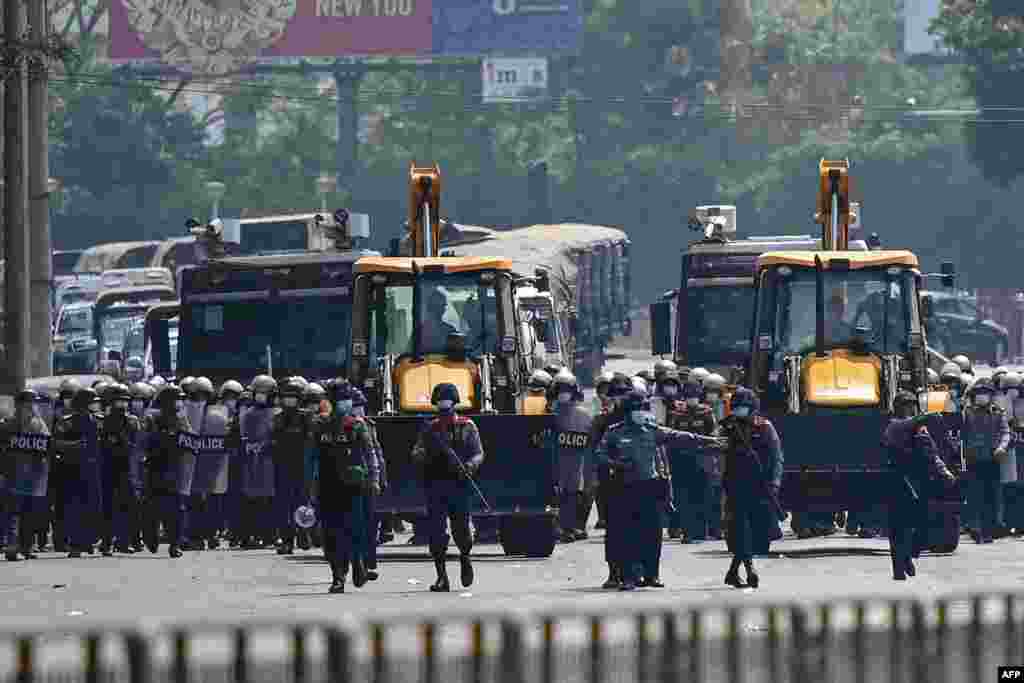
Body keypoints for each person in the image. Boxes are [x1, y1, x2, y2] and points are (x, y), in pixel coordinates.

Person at [595, 389, 721, 590]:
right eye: (635, 410)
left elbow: (681, 436)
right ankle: (627, 577)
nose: (639, 413)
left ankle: (652, 575)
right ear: (627, 412)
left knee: (652, 534)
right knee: (628, 534)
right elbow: (599, 455)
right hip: (625, 489)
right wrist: (616, 463)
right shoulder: (615, 432)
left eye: (642, 409)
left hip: (650, 488)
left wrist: (709, 440)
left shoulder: (653, 431)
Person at [411, 383, 484, 592]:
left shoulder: (467, 425)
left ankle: (465, 556)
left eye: (447, 405)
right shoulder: (430, 428)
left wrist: (470, 466)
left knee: (461, 530)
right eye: (441, 406)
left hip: (458, 484)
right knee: (436, 532)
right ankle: (441, 576)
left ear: (454, 405)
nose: (444, 411)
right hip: (435, 484)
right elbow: (416, 452)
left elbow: (478, 452)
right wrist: (423, 455)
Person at [883, 392, 956, 580]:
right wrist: (927, 416)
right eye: (904, 406)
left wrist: (944, 472)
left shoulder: (920, 428)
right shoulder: (893, 425)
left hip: (918, 479)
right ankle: (899, 568)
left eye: (911, 406)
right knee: (897, 527)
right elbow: (900, 429)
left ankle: (909, 553)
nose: (908, 409)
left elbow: (931, 453)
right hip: (895, 479)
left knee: (922, 522)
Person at [315, 380, 379, 593]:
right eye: (340, 401)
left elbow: (370, 454)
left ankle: (358, 561)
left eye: (346, 400)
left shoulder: (358, 425)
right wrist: (308, 488)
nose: (344, 404)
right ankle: (338, 577)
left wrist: (374, 479)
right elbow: (310, 458)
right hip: (327, 485)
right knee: (331, 534)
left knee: (355, 529)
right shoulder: (320, 425)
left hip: (354, 485)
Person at [719, 387, 783, 589]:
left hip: (760, 485)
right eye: (736, 406)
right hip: (735, 485)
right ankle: (749, 570)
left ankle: (733, 571)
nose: (740, 410)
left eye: (744, 407)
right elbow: (717, 452)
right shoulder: (727, 427)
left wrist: (774, 483)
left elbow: (776, 457)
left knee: (757, 532)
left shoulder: (764, 426)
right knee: (740, 530)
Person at [142, 385, 194, 558]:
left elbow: (191, 439)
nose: (179, 403)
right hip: (155, 467)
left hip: (174, 467)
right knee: (152, 507)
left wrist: (183, 427)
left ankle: (175, 543)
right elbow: (145, 441)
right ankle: (151, 538)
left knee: (176, 509)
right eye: (176, 399)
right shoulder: (151, 418)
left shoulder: (181, 418)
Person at [590, 373, 632, 588]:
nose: (619, 399)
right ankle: (614, 572)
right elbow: (594, 452)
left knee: (636, 529)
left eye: (624, 394)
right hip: (611, 481)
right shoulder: (603, 421)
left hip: (638, 482)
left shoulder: (640, 419)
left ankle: (633, 573)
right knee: (614, 530)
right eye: (615, 395)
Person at [665, 375, 717, 544]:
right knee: (683, 499)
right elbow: (670, 437)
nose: (691, 399)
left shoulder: (707, 412)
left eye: (694, 395)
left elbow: (714, 435)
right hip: (681, 462)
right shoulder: (676, 414)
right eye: (688, 396)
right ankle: (687, 531)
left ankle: (700, 531)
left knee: (702, 497)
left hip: (702, 461)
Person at [2, 390, 52, 561]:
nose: (30, 406)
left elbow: (46, 447)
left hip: (33, 477)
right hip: (14, 475)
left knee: (30, 515)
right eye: (27, 403)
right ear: (18, 405)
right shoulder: (7, 425)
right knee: (13, 513)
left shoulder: (39, 425)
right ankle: (12, 546)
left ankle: (27, 547)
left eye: (32, 403)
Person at [56, 387, 105, 558]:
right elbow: (56, 443)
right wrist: (74, 445)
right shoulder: (66, 421)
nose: (96, 406)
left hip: (95, 469)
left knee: (94, 506)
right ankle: (75, 543)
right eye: (92, 403)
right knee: (74, 507)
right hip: (73, 469)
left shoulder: (100, 420)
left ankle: (89, 540)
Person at [546, 370, 592, 543]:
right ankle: (558, 527)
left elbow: (591, 441)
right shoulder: (548, 415)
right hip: (556, 463)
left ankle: (571, 527)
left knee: (574, 495)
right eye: (560, 389)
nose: (564, 393)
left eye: (567, 389)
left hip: (577, 463)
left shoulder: (585, 415)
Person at [963, 378, 1011, 543]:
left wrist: (1002, 447)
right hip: (973, 460)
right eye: (979, 393)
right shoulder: (967, 412)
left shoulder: (998, 412)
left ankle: (989, 530)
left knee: (991, 496)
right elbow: (960, 433)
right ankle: (975, 529)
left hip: (992, 459)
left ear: (991, 396)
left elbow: (1006, 432)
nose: (982, 396)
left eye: (985, 393)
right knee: (975, 495)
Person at [99, 384, 143, 556]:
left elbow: (137, 444)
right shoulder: (104, 421)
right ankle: (107, 542)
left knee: (129, 506)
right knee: (108, 506)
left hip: (127, 468)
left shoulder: (132, 421)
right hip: (108, 467)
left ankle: (125, 541)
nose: (122, 405)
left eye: (125, 401)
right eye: (119, 401)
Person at [271, 379, 313, 555]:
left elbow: (311, 441)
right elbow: (273, 441)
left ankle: (303, 533)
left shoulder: (306, 417)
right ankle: (287, 540)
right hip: (282, 467)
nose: (290, 401)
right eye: (286, 398)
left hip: (302, 467)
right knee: (283, 506)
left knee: (302, 503)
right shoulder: (278, 418)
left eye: (293, 398)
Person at [238, 375, 277, 549]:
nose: (260, 396)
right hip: (251, 461)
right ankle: (247, 535)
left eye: (264, 392)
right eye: (257, 392)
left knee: (268, 500)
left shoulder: (277, 413)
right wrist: (249, 445)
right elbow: (243, 435)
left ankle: (268, 535)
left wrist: (267, 444)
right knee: (250, 500)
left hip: (269, 460)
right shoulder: (249, 413)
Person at [418, 288, 458, 352]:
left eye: (443, 306)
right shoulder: (420, 330)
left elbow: (457, 351)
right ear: (430, 307)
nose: (443, 309)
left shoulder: (450, 330)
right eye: (439, 305)